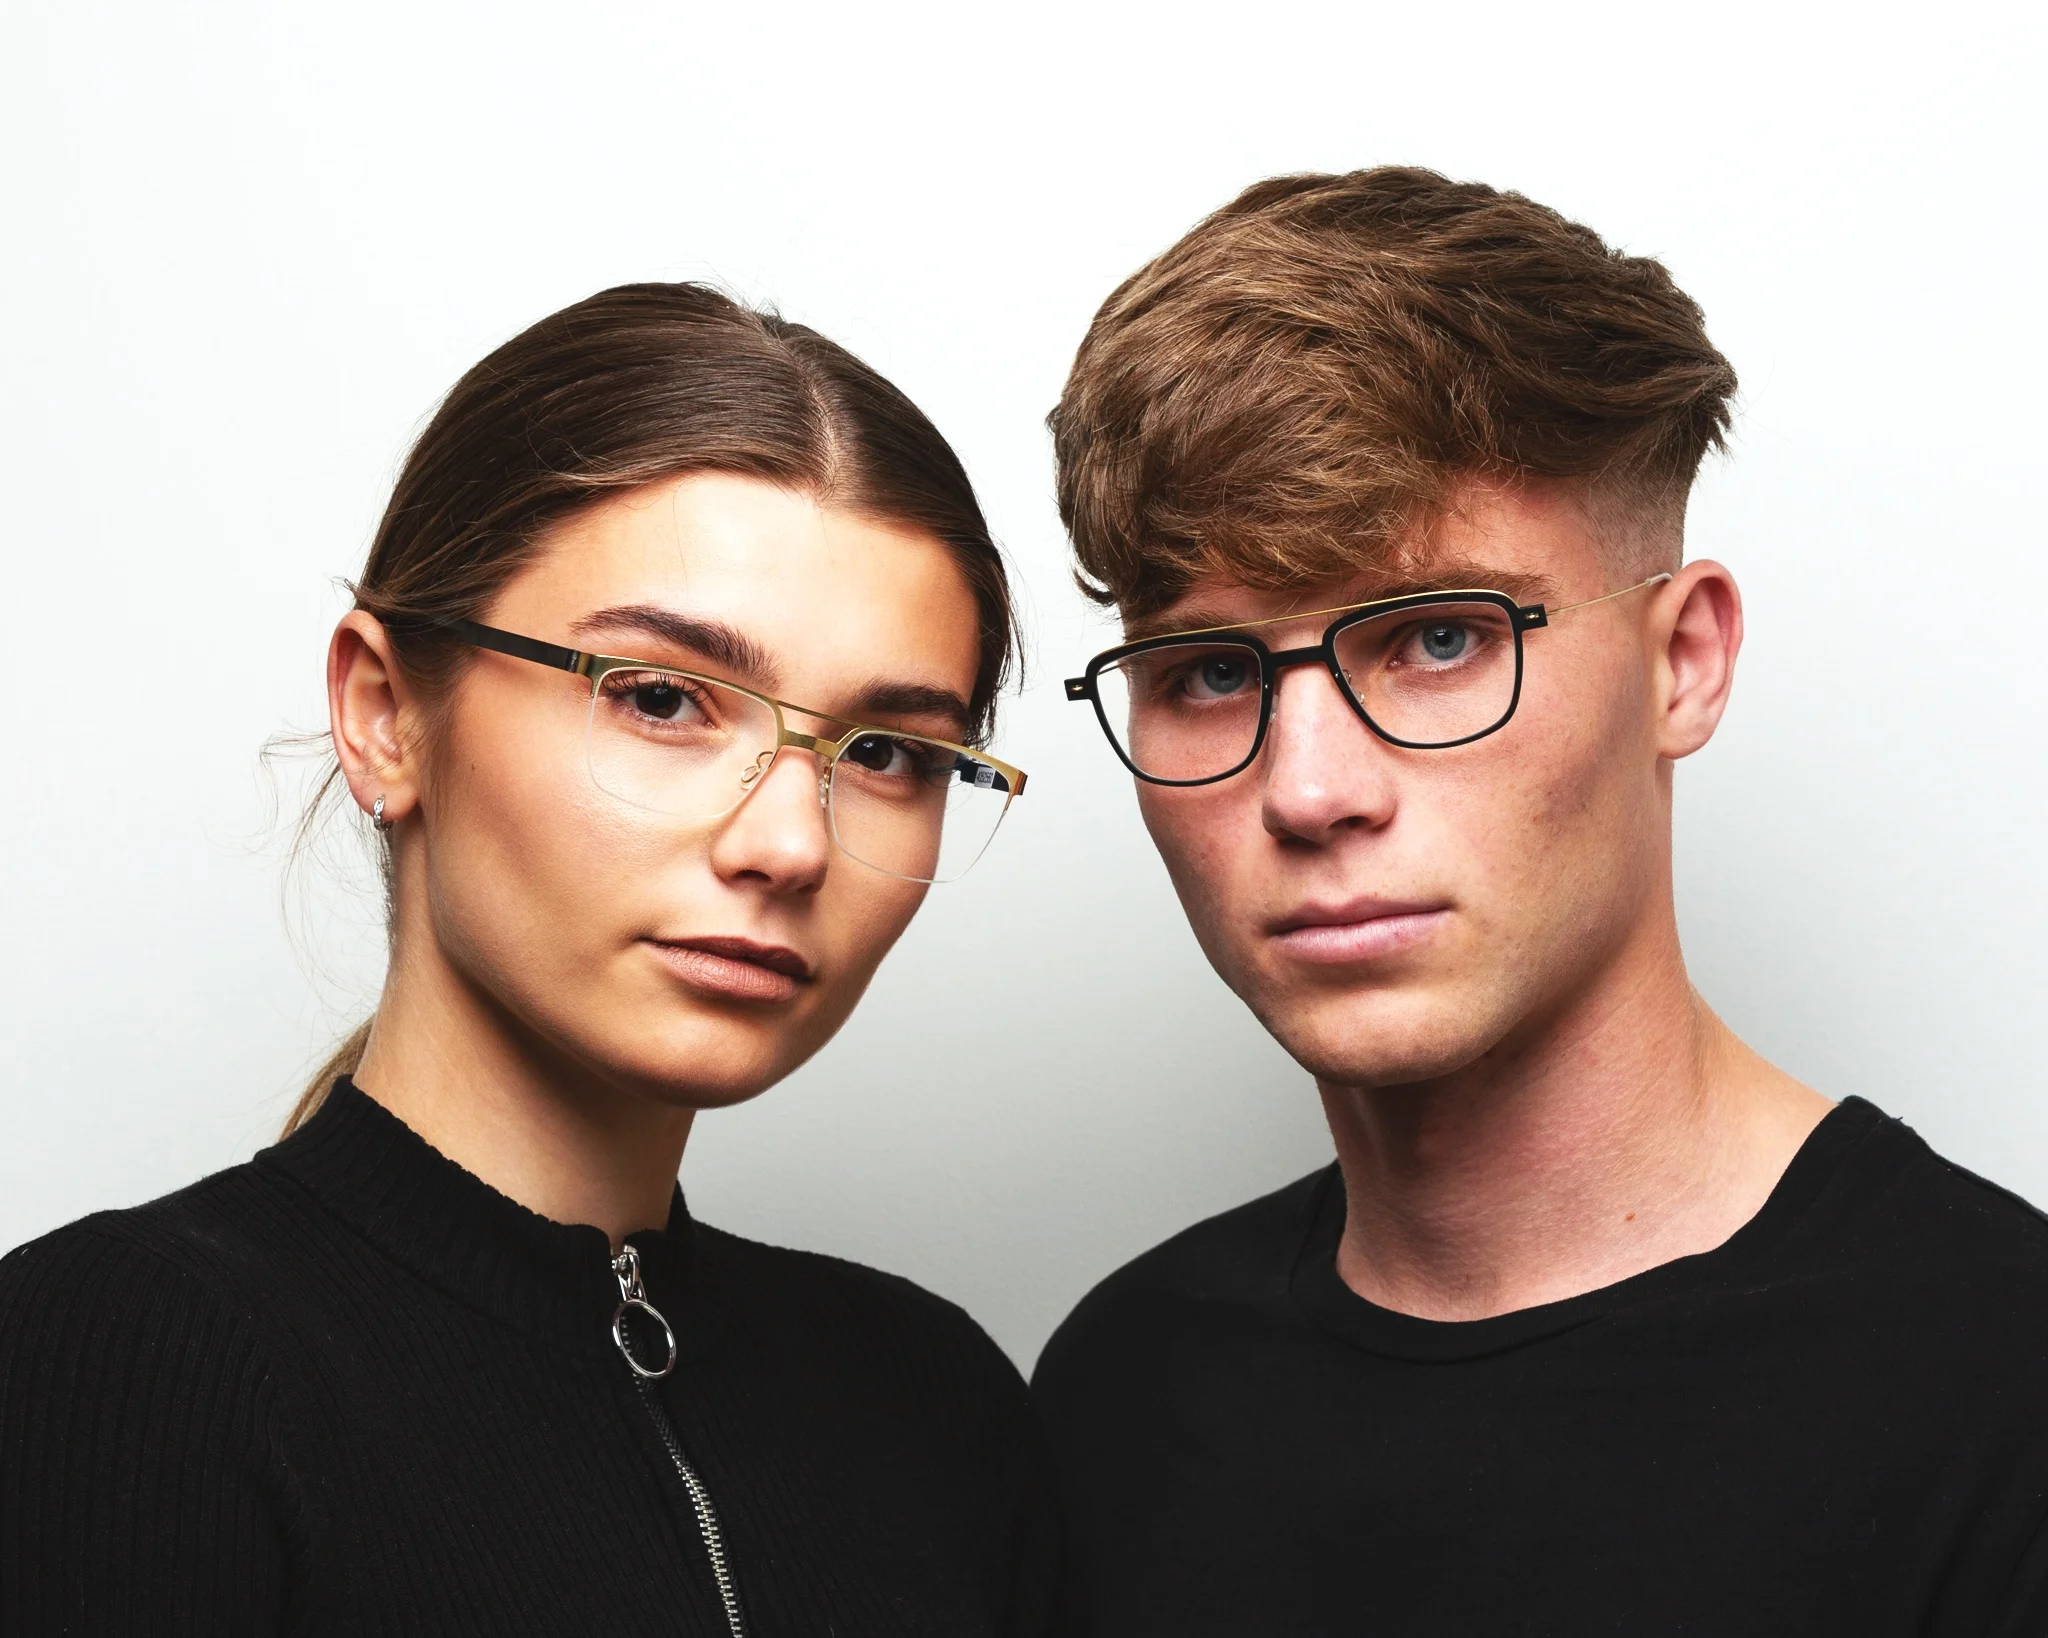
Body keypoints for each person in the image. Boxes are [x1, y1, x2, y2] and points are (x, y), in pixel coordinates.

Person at [1032, 167, 2048, 1634]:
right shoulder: (1121, 1389)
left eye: (1439, 638)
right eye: (1210, 671)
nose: (1310, 789)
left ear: (1682, 662)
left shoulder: (2004, 1385)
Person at [0, 283, 1055, 1635]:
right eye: (661, 698)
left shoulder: (936, 1403)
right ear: (385, 713)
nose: (792, 842)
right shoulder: (115, 1361)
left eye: (891, 752)